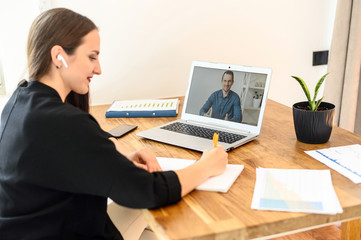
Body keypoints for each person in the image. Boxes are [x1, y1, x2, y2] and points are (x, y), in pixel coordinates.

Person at [0, 8, 228, 240]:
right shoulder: (61, 122)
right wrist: (206, 166)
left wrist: (123, 157)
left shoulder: (21, 100)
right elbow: (149, 191)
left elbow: (78, 147)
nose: (98, 68)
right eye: (92, 56)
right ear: (59, 56)